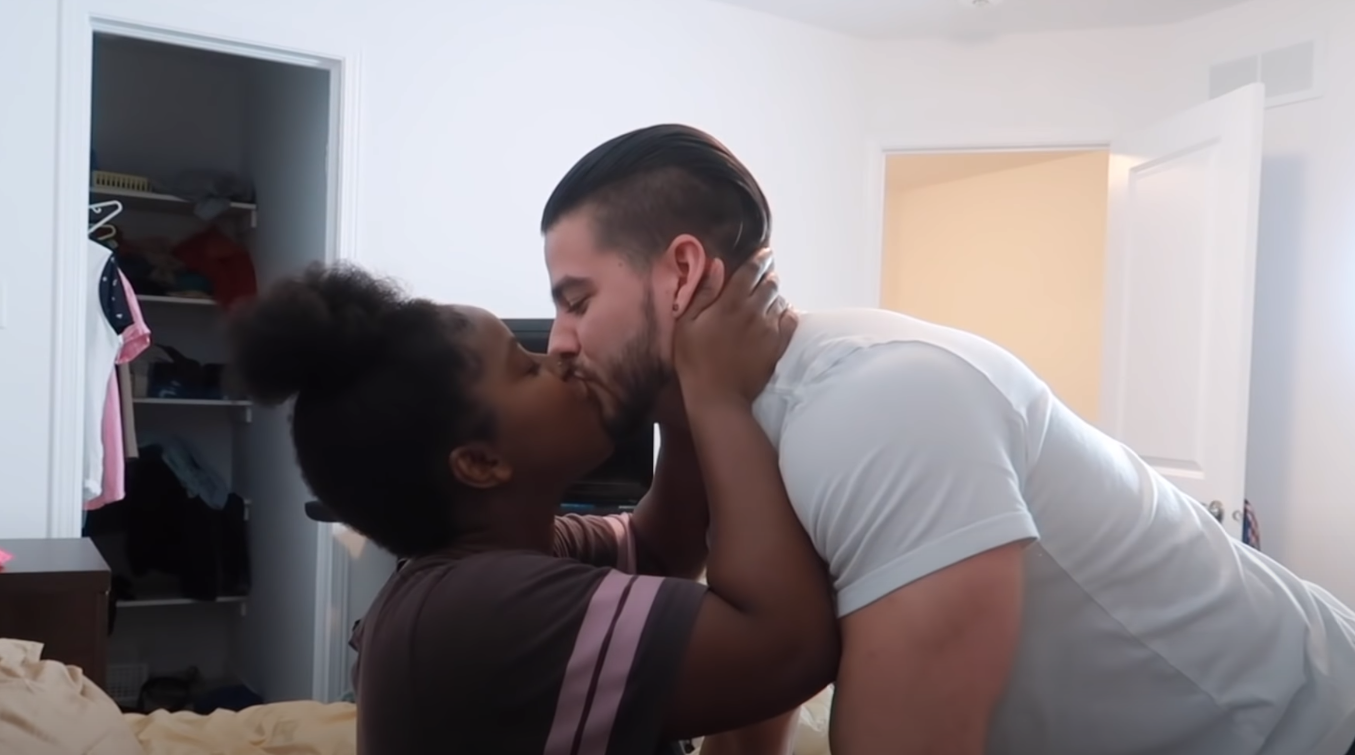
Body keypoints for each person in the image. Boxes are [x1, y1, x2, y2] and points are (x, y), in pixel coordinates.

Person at [539, 123, 1355, 755]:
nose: (559, 341)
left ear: (682, 274)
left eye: (576, 300)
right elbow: (743, 655)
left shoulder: (882, 408)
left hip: (1305, 726)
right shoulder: (730, 420)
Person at [224, 255, 836, 754]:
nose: (559, 360)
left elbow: (660, 548)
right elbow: (789, 650)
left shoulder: (506, 555)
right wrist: (720, 395)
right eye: (525, 367)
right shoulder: (479, 609)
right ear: (480, 463)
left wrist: (675, 394)